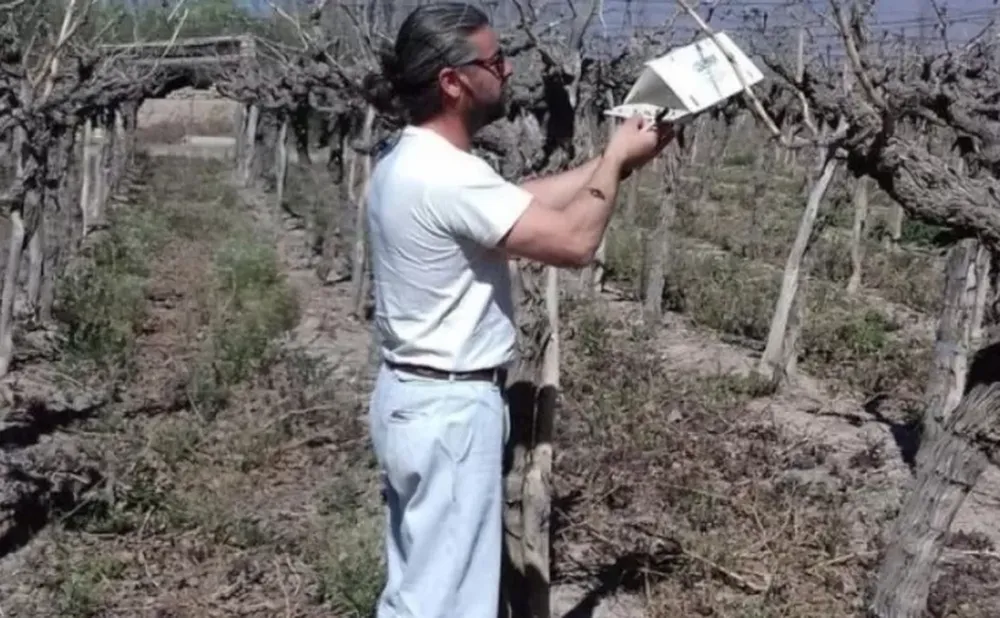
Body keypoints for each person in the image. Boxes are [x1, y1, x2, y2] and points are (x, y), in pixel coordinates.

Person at [359, 3, 673, 617]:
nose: (507, 71)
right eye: (494, 60)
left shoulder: (409, 160)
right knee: (444, 602)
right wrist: (611, 158)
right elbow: (575, 244)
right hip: (449, 413)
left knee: (420, 581)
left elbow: (515, 203)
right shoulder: (445, 176)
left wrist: (620, 165)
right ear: (453, 81)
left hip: (410, 398)